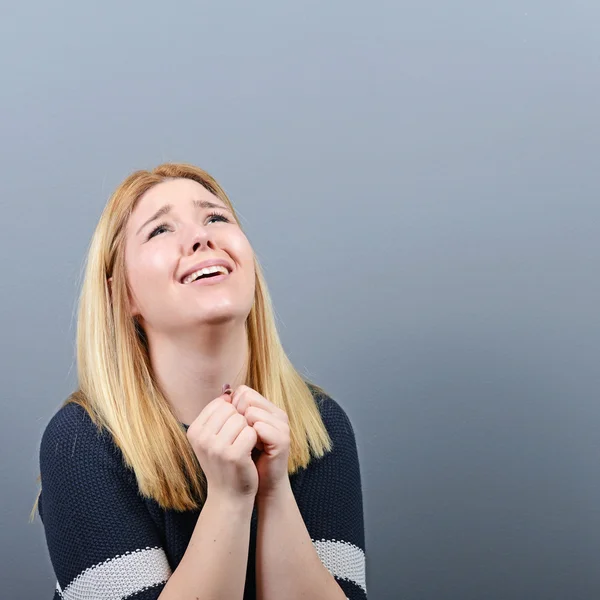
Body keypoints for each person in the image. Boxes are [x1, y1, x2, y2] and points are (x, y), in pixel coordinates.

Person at [32, 163, 367, 600]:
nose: (200, 237)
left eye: (215, 218)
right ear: (123, 294)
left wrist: (273, 489)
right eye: (159, 230)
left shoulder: (321, 426)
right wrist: (229, 498)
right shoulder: (79, 443)